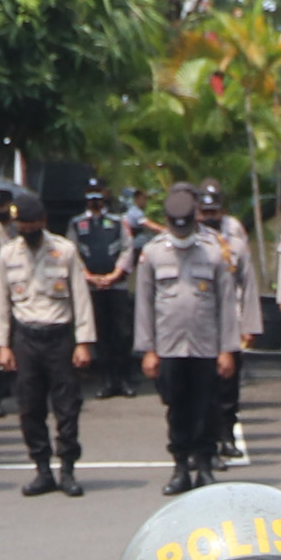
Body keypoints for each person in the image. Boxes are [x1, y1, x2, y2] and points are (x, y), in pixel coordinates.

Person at [133, 185, 242, 496]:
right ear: (168, 221)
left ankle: (205, 467)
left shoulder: (213, 250)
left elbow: (226, 303)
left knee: (208, 408)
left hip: (206, 347)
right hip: (168, 347)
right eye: (175, 226)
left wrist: (227, 349)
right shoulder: (153, 253)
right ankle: (181, 467)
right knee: (177, 408)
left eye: (187, 226)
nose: (182, 233)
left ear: (194, 219)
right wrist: (148, 350)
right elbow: (144, 304)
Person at [0, 188, 91, 497]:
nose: (27, 230)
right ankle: (42, 469)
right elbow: (1, 301)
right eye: (23, 225)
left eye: (32, 224)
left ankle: (68, 469)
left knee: (67, 406)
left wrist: (83, 342)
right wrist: (2, 345)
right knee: (30, 407)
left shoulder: (65, 251)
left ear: (43, 220)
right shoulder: (8, 254)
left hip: (58, 337)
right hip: (26, 338)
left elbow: (81, 299)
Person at [74, 181, 138, 396]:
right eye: (91, 196)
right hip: (92, 288)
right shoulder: (77, 224)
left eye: (98, 196)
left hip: (116, 286)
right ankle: (107, 381)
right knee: (101, 335)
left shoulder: (118, 222)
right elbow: (73, 254)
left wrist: (114, 275)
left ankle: (124, 380)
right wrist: (89, 277)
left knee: (122, 333)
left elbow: (127, 249)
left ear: (105, 196)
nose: (95, 201)